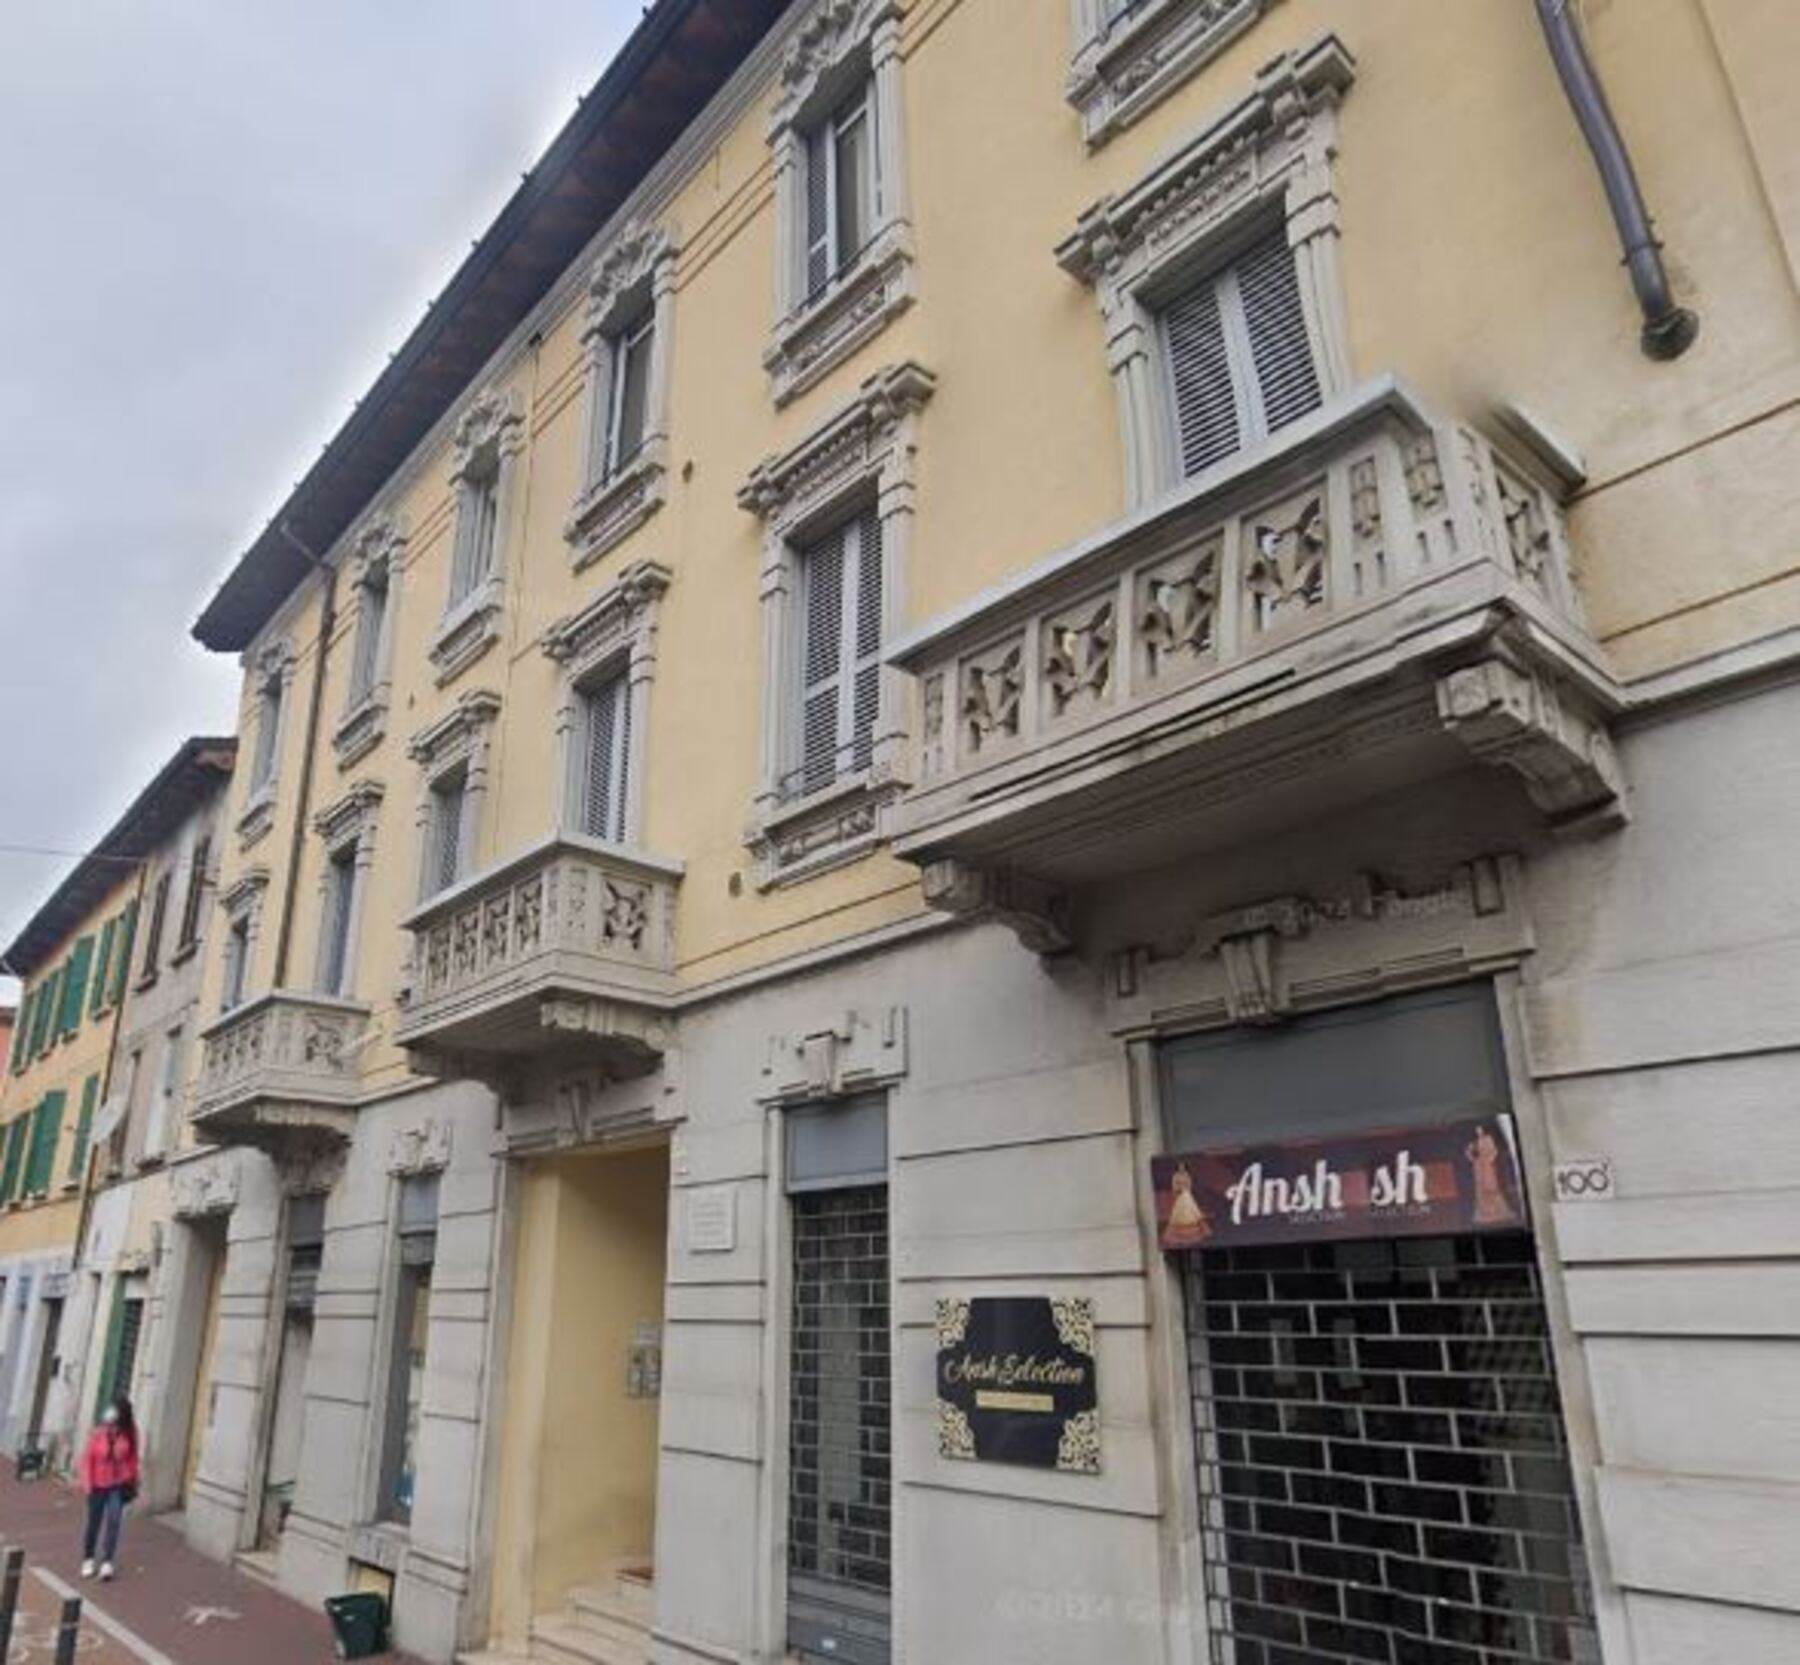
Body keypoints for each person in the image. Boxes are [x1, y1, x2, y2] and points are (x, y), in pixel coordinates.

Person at [77, 1396, 140, 1581]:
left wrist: (132, 1478)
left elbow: (133, 1457)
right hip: (97, 1484)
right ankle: (88, 1559)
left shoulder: (130, 1432)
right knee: (94, 1522)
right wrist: (88, 1485)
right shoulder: (99, 1431)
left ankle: (107, 1561)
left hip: (117, 1485)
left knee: (114, 1521)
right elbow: (87, 1459)